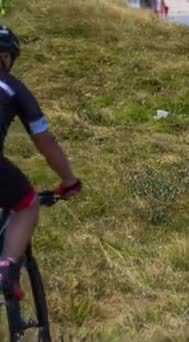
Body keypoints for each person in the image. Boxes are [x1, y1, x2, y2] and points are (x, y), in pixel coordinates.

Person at [0, 25, 81, 297]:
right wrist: (69, 180)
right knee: (26, 203)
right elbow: (45, 141)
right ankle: (6, 270)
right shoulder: (14, 88)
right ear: (6, 58)